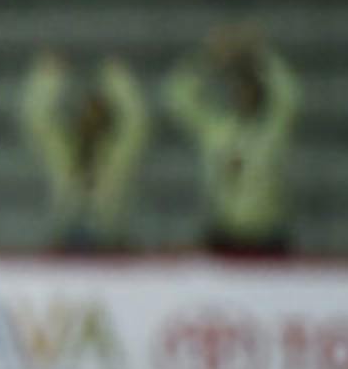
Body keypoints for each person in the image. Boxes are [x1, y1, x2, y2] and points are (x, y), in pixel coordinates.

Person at [163, 24, 301, 254]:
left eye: (250, 88)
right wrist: (208, 59)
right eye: (239, 88)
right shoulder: (216, 130)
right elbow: (177, 97)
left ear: (261, 91)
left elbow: (291, 94)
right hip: (224, 232)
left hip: (267, 234)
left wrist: (260, 55)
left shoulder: (273, 130)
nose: (244, 94)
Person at [18, 50, 148, 252]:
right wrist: (49, 79)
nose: (90, 119)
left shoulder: (118, 154)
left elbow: (137, 121)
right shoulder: (62, 149)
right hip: (64, 248)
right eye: (86, 113)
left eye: (97, 113)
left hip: (111, 250)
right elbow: (35, 117)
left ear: (107, 118)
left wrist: (118, 80)